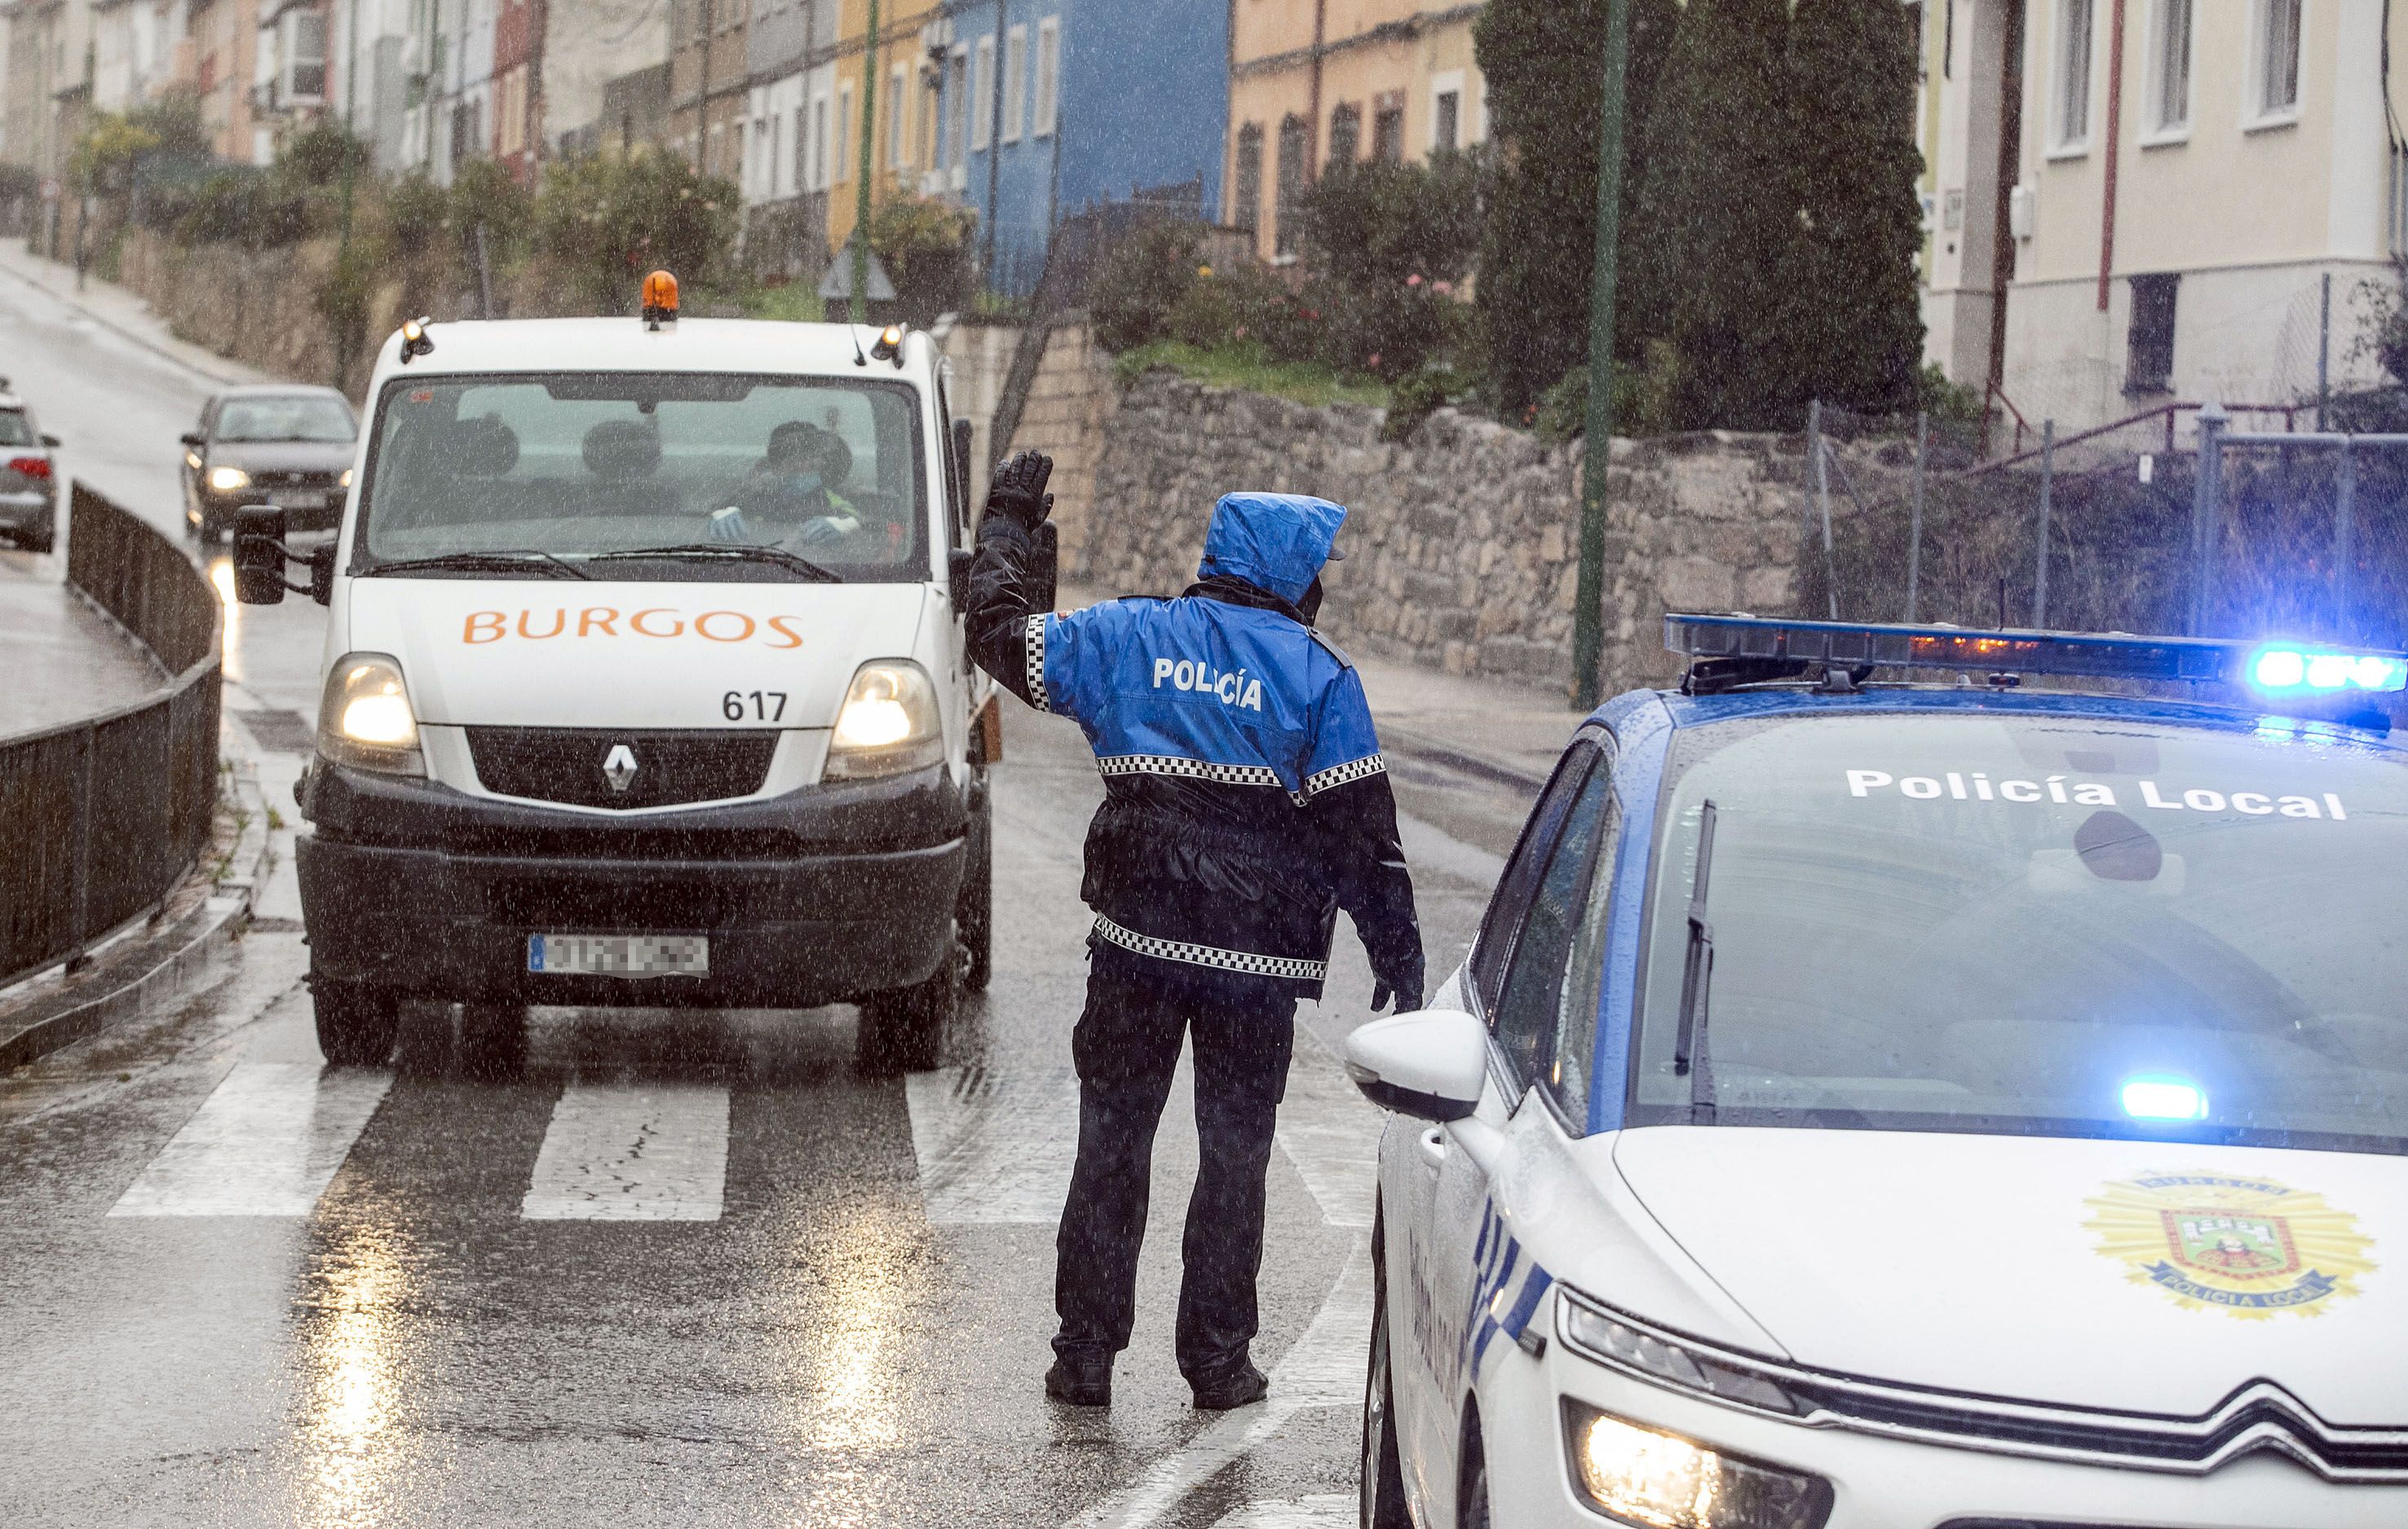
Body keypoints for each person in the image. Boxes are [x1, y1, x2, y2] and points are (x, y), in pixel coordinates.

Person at [965, 450, 1424, 1412]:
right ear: (1297, 577)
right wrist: (1397, 956)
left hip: (1134, 948)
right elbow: (1362, 836)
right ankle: (1216, 1364)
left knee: (1112, 1147)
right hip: (1254, 976)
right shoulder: (1318, 678)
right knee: (1233, 1159)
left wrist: (1007, 526)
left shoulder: (1128, 637)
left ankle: (1083, 1357)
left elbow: (999, 634)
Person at [707, 420, 859, 546]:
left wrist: (847, 525)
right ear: (775, 468)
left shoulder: (830, 499)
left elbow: (860, 521)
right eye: (793, 461)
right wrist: (720, 513)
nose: (802, 467)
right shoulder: (755, 494)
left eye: (809, 460)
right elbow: (713, 512)